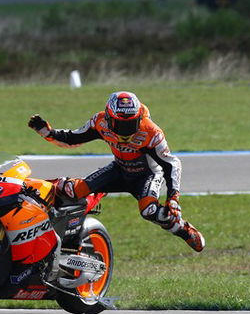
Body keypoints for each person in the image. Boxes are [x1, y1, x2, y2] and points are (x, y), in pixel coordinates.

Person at [28, 91, 205, 252]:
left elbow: (172, 164)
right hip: (119, 169)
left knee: (150, 211)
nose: (125, 131)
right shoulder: (100, 121)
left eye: (131, 124)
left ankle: (182, 228)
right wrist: (46, 132)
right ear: (109, 118)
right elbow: (72, 139)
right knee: (72, 190)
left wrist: (173, 198)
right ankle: (56, 217)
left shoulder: (151, 132)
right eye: (120, 124)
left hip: (146, 176)